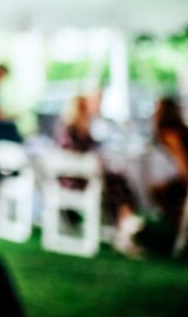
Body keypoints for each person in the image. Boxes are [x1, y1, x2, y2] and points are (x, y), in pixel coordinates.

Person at [55, 95, 143, 256]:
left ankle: (124, 221)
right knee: (113, 183)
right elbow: (74, 158)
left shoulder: (84, 130)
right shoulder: (69, 131)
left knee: (117, 180)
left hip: (90, 176)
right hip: (75, 179)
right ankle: (125, 222)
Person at [150, 97, 188, 230]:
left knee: (158, 191)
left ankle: (180, 227)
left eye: (157, 109)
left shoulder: (171, 134)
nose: (153, 114)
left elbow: (183, 162)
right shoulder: (184, 131)